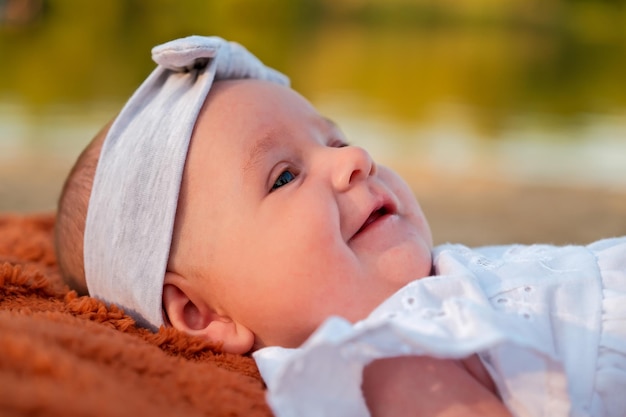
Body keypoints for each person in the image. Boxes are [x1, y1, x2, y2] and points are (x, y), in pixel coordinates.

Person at [54, 35, 626, 417]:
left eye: (335, 139)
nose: (355, 160)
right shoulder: (383, 355)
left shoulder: (429, 293)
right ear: (202, 315)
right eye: (283, 177)